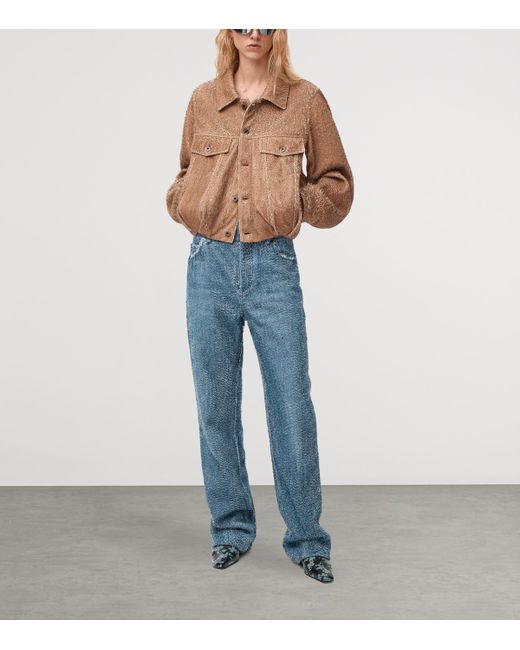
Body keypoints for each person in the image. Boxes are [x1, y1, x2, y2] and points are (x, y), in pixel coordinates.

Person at [166, 29, 354, 584]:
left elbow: (337, 185)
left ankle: (307, 540)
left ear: (279, 31)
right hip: (208, 265)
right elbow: (184, 174)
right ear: (228, 29)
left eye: (266, 22)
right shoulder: (203, 99)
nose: (254, 31)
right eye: (244, 20)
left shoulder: (305, 100)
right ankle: (230, 530)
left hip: (273, 266)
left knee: (291, 403)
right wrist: (185, 203)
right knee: (216, 407)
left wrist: (291, 201)